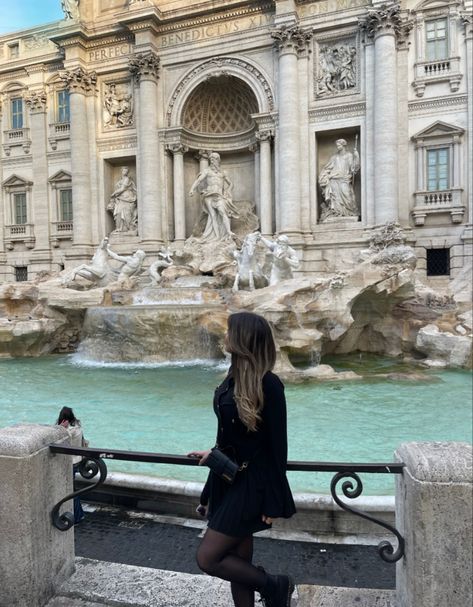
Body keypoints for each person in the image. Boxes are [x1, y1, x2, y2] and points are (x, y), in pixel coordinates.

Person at [188, 312, 296, 607]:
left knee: (208, 558)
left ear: (243, 339)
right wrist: (208, 490)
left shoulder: (269, 384)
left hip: (252, 485)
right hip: (226, 478)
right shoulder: (231, 379)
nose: (224, 336)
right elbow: (224, 439)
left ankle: (276, 585)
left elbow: (278, 448)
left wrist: (273, 501)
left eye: (229, 331)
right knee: (237, 562)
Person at [189, 152, 239, 242]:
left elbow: (231, 183)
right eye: (211, 158)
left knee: (222, 211)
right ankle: (216, 236)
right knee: (212, 215)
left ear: (218, 160)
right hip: (209, 194)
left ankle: (228, 232)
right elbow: (199, 180)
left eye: (215, 158)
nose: (212, 160)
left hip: (219, 195)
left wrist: (228, 190)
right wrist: (192, 189)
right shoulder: (207, 171)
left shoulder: (223, 173)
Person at [56, 406, 88, 524]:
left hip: (71, 463)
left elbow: (59, 440)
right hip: (77, 461)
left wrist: (60, 428)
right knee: (72, 490)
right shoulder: (78, 428)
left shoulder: (69, 431)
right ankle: (79, 514)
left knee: (71, 491)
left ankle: (78, 516)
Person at [318, 138, 360, 221]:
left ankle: (349, 212)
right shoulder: (334, 157)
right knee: (335, 198)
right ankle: (336, 213)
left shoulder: (349, 156)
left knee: (347, 194)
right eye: (337, 145)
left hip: (344, 179)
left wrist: (357, 156)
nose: (337, 147)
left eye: (339, 145)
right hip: (334, 180)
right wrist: (325, 175)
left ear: (343, 145)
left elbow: (353, 168)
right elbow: (327, 168)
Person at [107, 167, 138, 233]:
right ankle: (119, 228)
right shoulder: (120, 180)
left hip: (127, 197)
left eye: (126, 171)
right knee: (118, 212)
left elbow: (122, 189)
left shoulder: (127, 179)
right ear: (121, 171)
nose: (125, 172)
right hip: (120, 198)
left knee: (127, 213)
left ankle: (128, 228)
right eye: (124, 171)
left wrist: (114, 193)